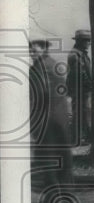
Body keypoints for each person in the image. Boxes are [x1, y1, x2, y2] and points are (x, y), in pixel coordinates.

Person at [29, 38, 73, 191]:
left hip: (45, 119)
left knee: (47, 156)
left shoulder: (39, 68)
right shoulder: (53, 63)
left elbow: (38, 95)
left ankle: (52, 193)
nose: (31, 53)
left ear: (44, 49)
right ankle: (66, 191)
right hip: (59, 117)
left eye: (35, 50)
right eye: (30, 50)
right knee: (62, 154)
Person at [66, 28, 92, 145]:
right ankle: (75, 139)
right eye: (87, 40)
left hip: (82, 89)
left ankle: (84, 138)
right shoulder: (75, 55)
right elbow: (80, 74)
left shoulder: (81, 54)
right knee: (79, 114)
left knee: (83, 113)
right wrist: (90, 84)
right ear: (80, 41)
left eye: (89, 40)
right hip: (79, 89)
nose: (89, 43)